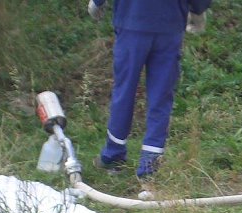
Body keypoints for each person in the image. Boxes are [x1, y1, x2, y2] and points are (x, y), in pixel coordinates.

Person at [88, 0, 212, 179]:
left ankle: (113, 155)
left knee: (124, 91)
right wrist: (198, 11)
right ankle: (149, 166)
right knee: (161, 96)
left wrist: (97, 3)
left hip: (132, 21)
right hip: (169, 25)